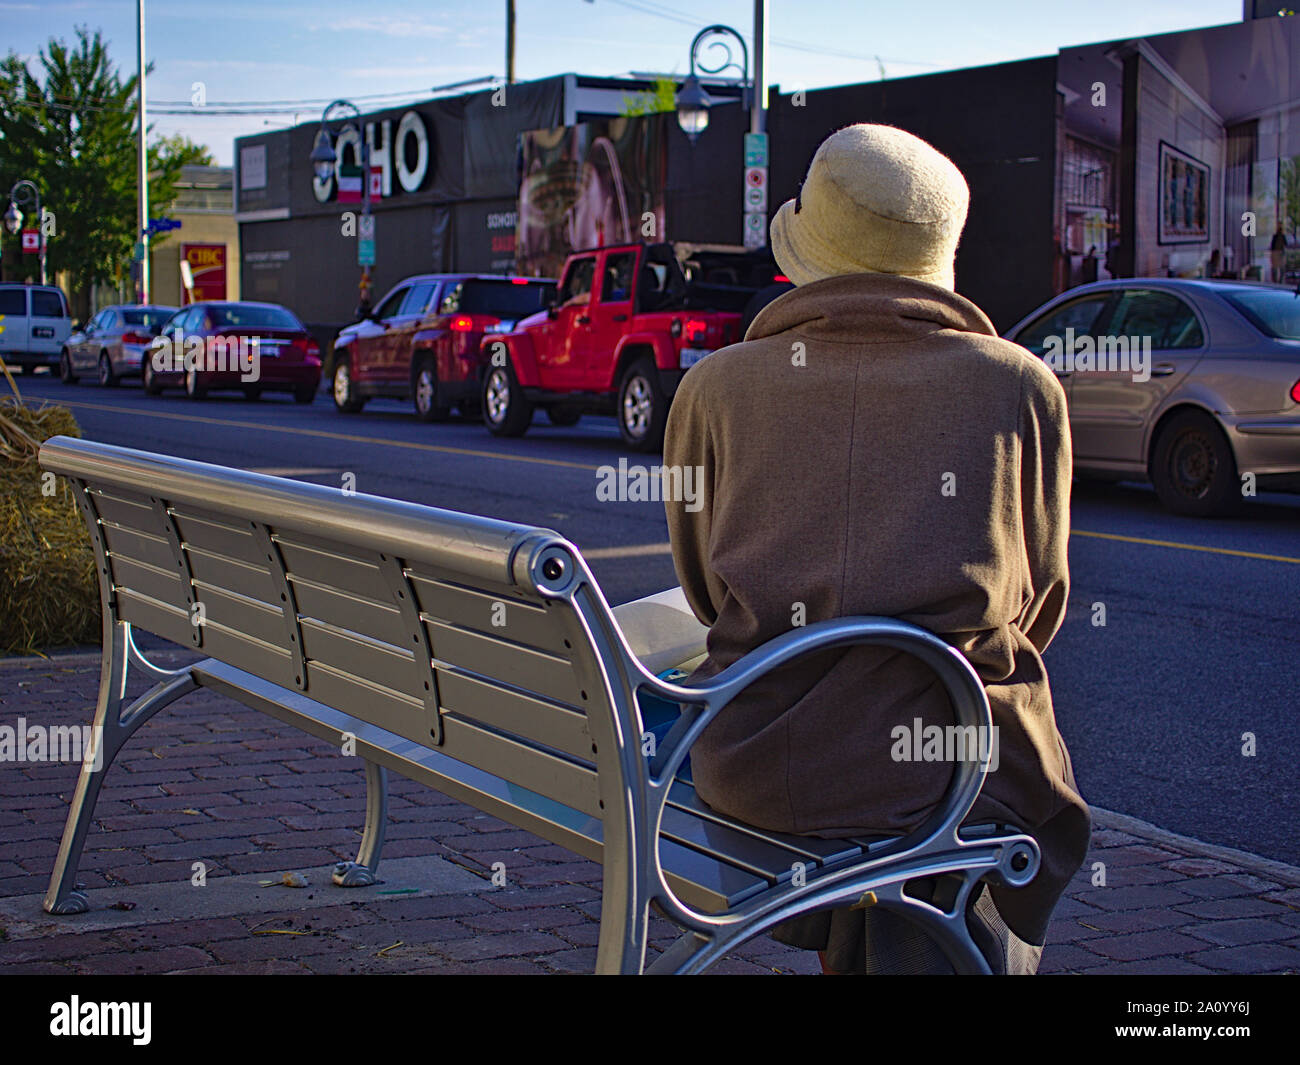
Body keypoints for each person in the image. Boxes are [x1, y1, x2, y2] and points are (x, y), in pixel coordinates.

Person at [662, 123, 1090, 975]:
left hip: (754, 768)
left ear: (808, 253)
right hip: (950, 767)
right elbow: (1039, 601)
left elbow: (705, 586)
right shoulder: (1020, 388)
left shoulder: (713, 386)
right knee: (973, 758)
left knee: (868, 766)